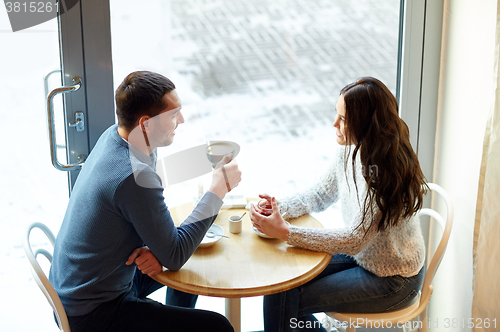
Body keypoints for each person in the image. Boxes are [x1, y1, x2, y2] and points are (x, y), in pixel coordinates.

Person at [49, 71, 241, 332]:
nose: (182, 120)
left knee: (188, 254)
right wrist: (218, 190)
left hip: (87, 281)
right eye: (174, 115)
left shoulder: (118, 137)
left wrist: (160, 251)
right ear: (146, 124)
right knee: (218, 326)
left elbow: (144, 219)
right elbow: (174, 254)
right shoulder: (132, 176)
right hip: (94, 311)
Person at [250, 77, 428, 332]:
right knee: (282, 284)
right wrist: (278, 207)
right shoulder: (351, 148)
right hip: (364, 255)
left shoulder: (383, 173)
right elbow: (321, 194)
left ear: (367, 124)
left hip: (393, 278)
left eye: (343, 119)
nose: (334, 123)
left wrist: (286, 233)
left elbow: (354, 239)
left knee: (286, 299)